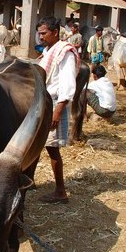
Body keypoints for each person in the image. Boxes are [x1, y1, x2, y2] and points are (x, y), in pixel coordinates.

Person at [37, 15, 79, 204]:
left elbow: (68, 83)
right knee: (37, 145)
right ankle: (29, 181)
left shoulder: (65, 53)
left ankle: (60, 191)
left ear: (55, 32)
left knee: (52, 149)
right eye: (39, 33)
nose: (40, 37)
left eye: (44, 33)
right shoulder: (49, 50)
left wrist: (58, 110)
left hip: (54, 103)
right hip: (44, 101)